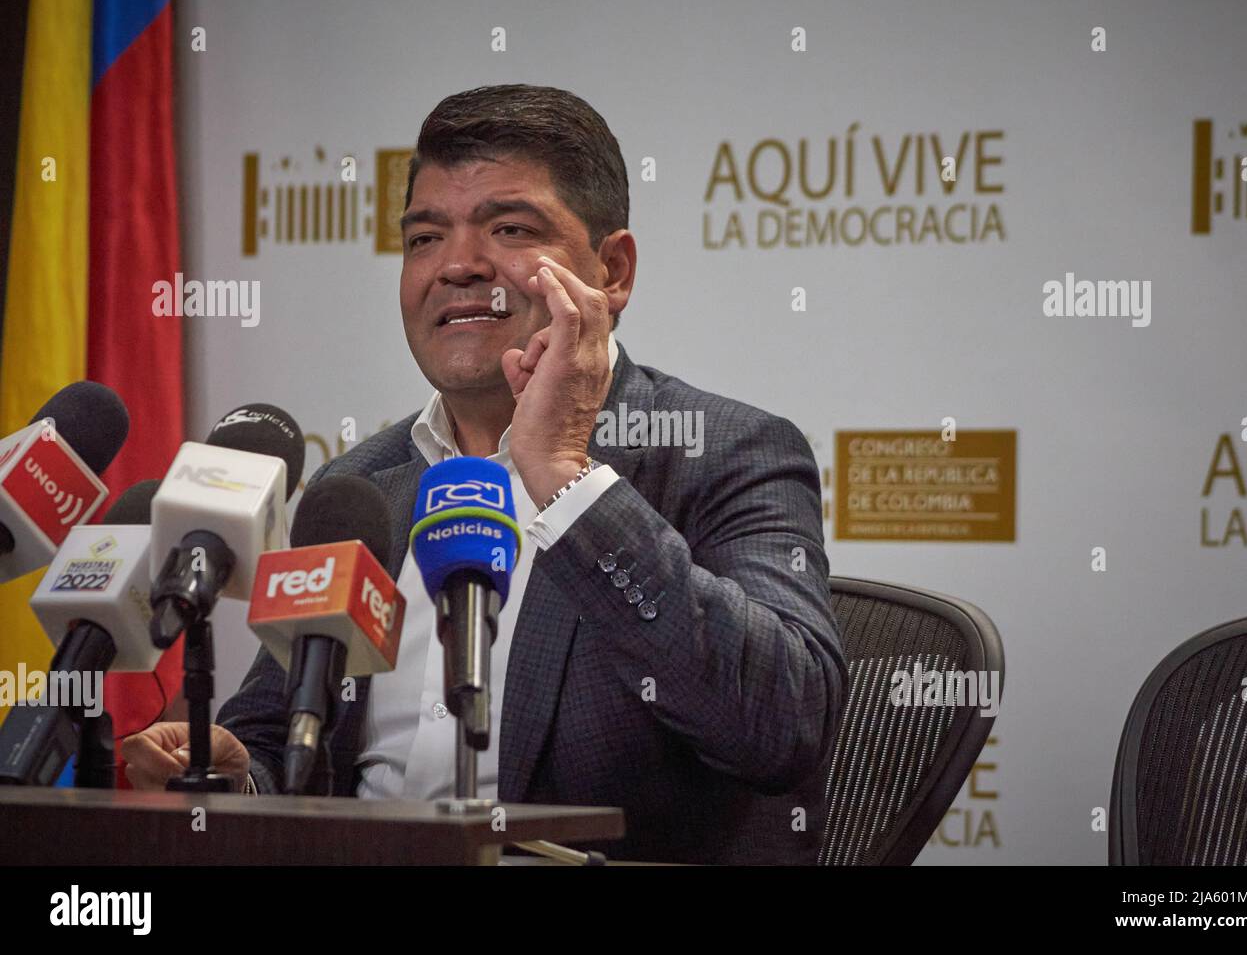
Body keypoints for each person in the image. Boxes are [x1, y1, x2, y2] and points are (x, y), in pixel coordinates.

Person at [123, 84, 846, 864]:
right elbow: (274, 739)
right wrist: (237, 780)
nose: (458, 266)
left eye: (508, 228)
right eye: (425, 238)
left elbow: (785, 724)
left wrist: (566, 476)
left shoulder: (724, 451)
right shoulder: (361, 488)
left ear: (611, 270)